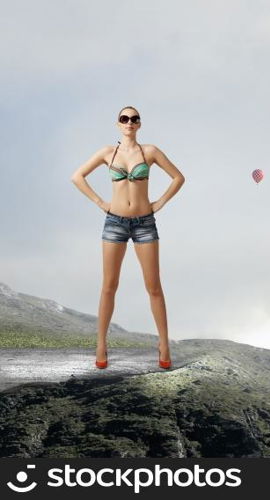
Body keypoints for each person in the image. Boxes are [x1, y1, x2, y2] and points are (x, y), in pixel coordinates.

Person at [70, 106, 185, 370]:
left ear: (139, 124)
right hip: (115, 223)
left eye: (134, 119)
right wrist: (101, 202)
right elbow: (77, 177)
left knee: (153, 286)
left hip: (145, 223)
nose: (129, 122)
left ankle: (164, 344)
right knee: (109, 285)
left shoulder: (150, 152)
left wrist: (160, 203)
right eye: (124, 118)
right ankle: (101, 344)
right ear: (118, 124)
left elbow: (178, 178)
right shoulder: (107, 153)